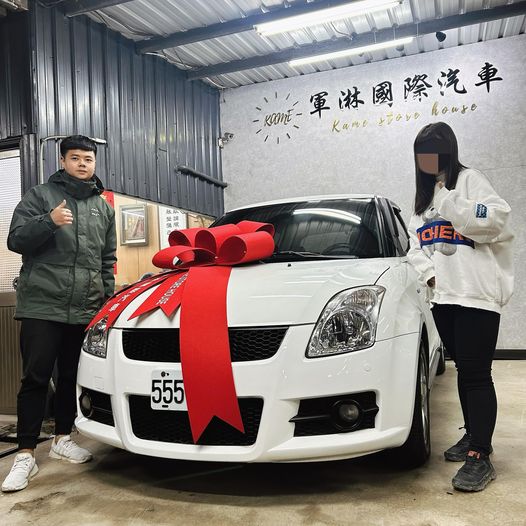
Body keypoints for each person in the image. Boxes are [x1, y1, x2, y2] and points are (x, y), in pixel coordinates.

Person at [2, 135, 117, 492]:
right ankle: (25, 454)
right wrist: (49, 221)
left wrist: (105, 301)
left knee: (70, 377)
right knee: (35, 378)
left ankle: (62, 438)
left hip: (84, 307)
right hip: (42, 304)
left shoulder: (103, 208)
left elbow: (107, 260)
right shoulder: (41, 196)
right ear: (63, 161)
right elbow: (16, 240)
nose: (83, 164)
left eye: (88, 159)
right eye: (75, 158)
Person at [407, 122, 514, 492]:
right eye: (422, 153)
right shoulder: (423, 200)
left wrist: (450, 202)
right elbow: (415, 245)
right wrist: (430, 277)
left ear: (448, 151)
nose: (427, 159)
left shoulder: (471, 181)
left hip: (475, 296)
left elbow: (497, 220)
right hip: (444, 298)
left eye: (433, 151)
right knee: (464, 371)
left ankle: (480, 455)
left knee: (477, 374)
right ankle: (473, 435)